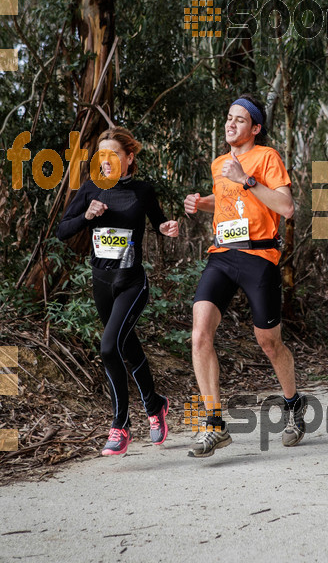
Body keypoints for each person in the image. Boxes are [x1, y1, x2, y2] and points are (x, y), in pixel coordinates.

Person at [184, 94, 306, 458]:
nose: (230, 124)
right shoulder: (219, 162)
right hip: (222, 256)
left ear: (255, 128)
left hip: (259, 256)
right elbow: (228, 200)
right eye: (228, 118)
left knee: (269, 341)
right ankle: (215, 423)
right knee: (199, 331)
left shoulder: (266, 157)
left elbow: (287, 207)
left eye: (239, 120)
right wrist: (200, 203)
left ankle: (293, 405)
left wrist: (247, 178)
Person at [57, 127, 179, 456]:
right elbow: (61, 230)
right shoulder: (91, 188)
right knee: (127, 345)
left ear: (128, 158)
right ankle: (156, 407)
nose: (106, 161)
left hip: (131, 283)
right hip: (101, 284)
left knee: (109, 346)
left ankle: (120, 425)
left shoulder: (142, 191)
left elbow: (160, 223)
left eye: (113, 155)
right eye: (101, 156)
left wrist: (168, 228)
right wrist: (87, 215)